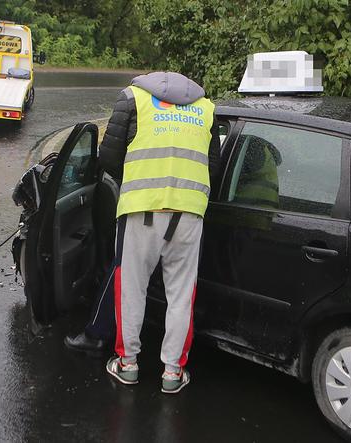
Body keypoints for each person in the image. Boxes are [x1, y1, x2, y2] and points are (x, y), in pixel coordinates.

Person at [73, 71, 218, 394]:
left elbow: (109, 158)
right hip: (188, 213)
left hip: (140, 209)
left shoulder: (132, 99)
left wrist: (136, 180)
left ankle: (128, 365)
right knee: (181, 296)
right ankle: (173, 373)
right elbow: (213, 167)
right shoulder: (206, 108)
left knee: (131, 290)